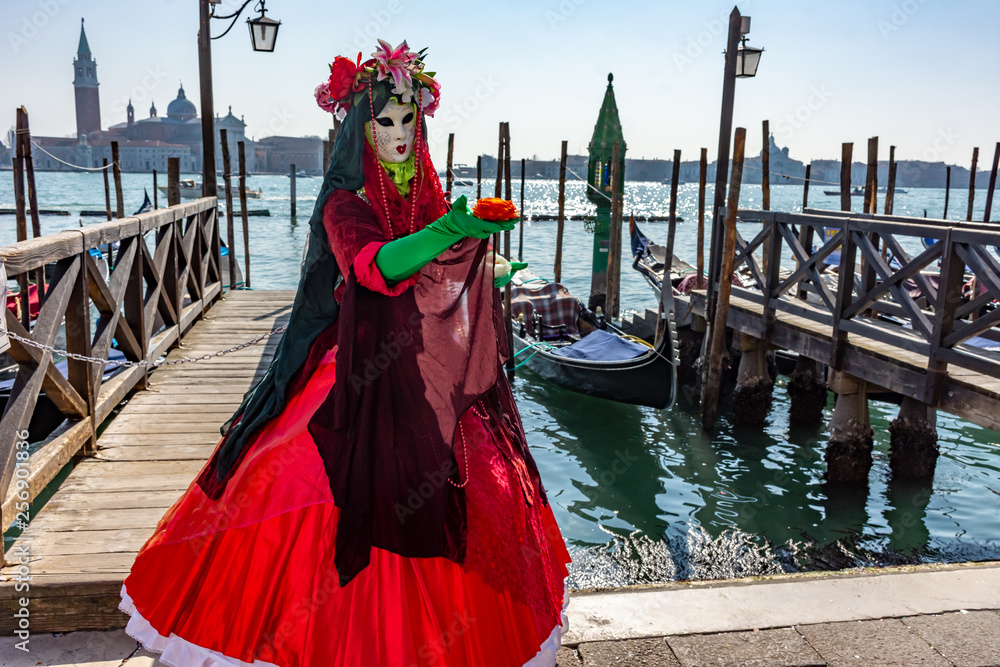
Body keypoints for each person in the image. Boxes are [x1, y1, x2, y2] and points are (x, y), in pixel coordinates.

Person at [118, 39, 571, 666]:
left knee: (470, 486)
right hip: (354, 362)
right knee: (301, 476)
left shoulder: (426, 197)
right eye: (384, 121)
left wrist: (483, 267)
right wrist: (450, 233)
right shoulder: (342, 203)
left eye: (409, 118)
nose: (399, 132)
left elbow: (436, 276)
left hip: (419, 365)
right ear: (360, 128)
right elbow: (373, 266)